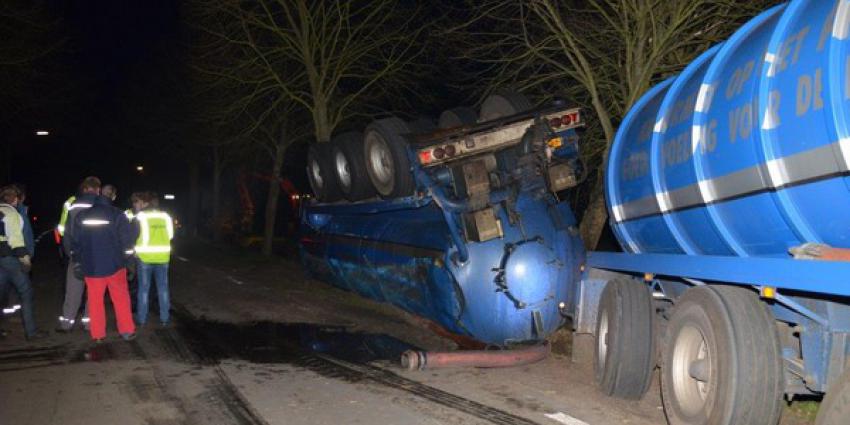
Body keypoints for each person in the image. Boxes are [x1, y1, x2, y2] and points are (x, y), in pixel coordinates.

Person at [70, 178, 136, 342]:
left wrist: (78, 261)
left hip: (91, 266)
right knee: (120, 298)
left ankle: (97, 334)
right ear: (113, 197)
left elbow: (76, 242)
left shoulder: (82, 215)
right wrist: (129, 262)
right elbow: (126, 243)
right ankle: (126, 330)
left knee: (94, 300)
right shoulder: (118, 215)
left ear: (99, 194)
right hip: (115, 266)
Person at [0, 185, 46, 340]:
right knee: (26, 294)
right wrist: (26, 260)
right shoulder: (13, 214)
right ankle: (31, 332)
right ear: (14, 199)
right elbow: (17, 241)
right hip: (12, 260)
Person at [56, 178, 99, 332]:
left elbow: (66, 232)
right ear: (98, 190)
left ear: (83, 189)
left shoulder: (73, 206)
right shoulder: (102, 206)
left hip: (77, 254)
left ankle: (66, 324)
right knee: (94, 291)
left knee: (73, 290)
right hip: (96, 257)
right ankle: (89, 323)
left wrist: (70, 253)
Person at [134, 192, 173, 327]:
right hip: (163, 257)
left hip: (145, 257)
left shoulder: (141, 216)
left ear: (146, 203)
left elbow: (136, 235)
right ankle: (165, 318)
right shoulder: (166, 216)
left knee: (144, 289)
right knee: (163, 288)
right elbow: (170, 235)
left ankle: (142, 319)